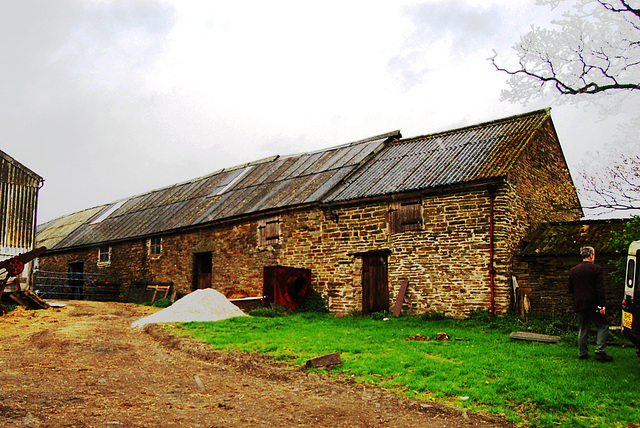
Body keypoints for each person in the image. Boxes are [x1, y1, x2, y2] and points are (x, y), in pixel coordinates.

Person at [568, 246, 612, 362]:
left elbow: (570, 289)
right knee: (602, 326)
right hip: (594, 304)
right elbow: (600, 289)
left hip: (580, 304)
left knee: (583, 328)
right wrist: (602, 305)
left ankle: (582, 353)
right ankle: (600, 352)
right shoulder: (596, 269)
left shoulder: (573, 271)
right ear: (591, 255)